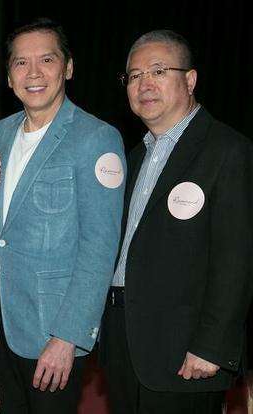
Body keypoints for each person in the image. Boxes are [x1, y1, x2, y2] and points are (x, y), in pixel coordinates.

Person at [99, 29, 253, 414]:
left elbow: (236, 260)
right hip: (124, 342)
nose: (144, 84)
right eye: (134, 76)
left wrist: (212, 346)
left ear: (190, 79)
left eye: (158, 71)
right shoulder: (133, 157)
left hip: (185, 352)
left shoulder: (227, 150)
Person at [0, 18, 126, 413]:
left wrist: (68, 337)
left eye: (46, 60)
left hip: (51, 328)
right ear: (8, 77)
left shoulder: (96, 138)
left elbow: (100, 246)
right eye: (20, 63)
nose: (33, 73)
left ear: (69, 67)